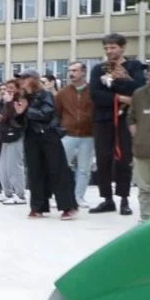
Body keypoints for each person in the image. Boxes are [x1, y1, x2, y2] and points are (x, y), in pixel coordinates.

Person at [89, 34, 146, 216]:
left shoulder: (134, 67)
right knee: (103, 158)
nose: (109, 51)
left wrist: (123, 80)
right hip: (103, 119)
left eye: (113, 48)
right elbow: (96, 94)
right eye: (106, 48)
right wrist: (120, 98)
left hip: (125, 119)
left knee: (123, 158)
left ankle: (124, 199)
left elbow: (139, 90)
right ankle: (107, 199)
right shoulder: (99, 69)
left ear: (122, 48)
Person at [14, 71, 77, 220]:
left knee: (57, 171)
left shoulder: (44, 95)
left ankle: (68, 206)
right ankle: (38, 207)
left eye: (25, 78)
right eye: (20, 79)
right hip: (31, 138)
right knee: (35, 172)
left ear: (33, 80)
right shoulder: (22, 98)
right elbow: (19, 122)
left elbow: (47, 114)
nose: (22, 81)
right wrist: (18, 114)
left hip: (48, 136)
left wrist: (27, 110)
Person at [56, 62, 95, 209]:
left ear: (83, 72)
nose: (71, 73)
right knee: (63, 167)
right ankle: (64, 196)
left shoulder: (92, 91)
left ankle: (79, 196)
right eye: (70, 71)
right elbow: (57, 113)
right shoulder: (63, 93)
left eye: (75, 70)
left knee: (84, 169)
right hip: (68, 135)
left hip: (88, 135)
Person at [0, 81, 27, 205]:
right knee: (3, 166)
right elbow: (7, 117)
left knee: (14, 166)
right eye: (7, 88)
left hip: (16, 136)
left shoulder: (20, 100)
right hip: (5, 136)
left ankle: (20, 194)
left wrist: (8, 103)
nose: (7, 91)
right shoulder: (7, 102)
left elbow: (18, 118)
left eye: (11, 88)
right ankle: (7, 192)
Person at [127, 81, 150, 222]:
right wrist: (136, 133)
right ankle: (146, 220)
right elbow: (131, 118)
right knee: (144, 188)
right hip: (142, 148)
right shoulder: (139, 94)